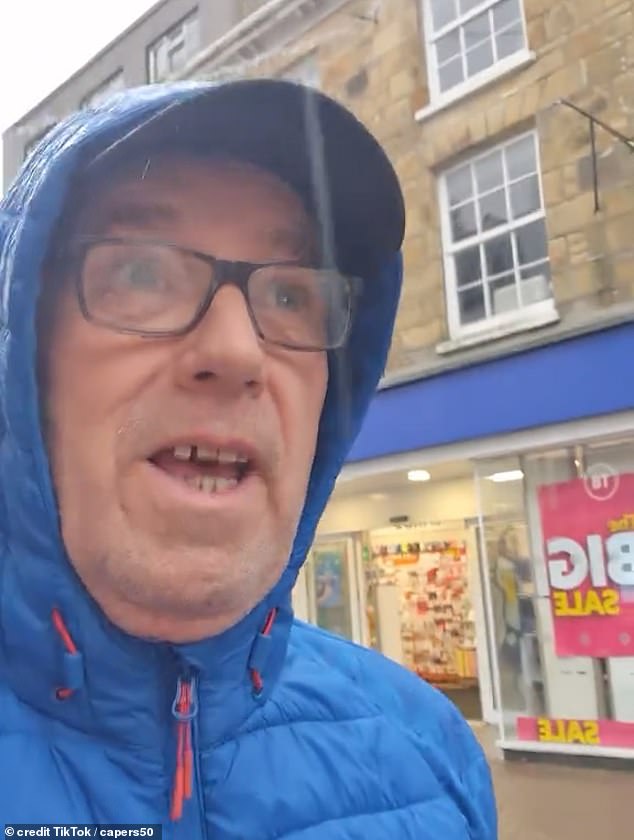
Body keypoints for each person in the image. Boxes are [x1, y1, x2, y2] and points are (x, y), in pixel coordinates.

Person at [0, 79, 497, 836]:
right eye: (140, 272)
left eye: (294, 296)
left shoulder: (429, 754)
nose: (237, 351)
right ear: (24, 361)